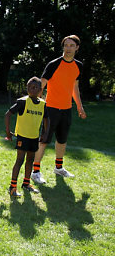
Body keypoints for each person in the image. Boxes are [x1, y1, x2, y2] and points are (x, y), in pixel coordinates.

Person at [31, 35, 87, 184]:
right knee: (44, 140)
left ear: (77, 48)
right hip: (51, 108)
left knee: (62, 140)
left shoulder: (78, 66)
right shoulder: (53, 64)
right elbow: (41, 85)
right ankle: (35, 171)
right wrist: (34, 103)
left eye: (71, 45)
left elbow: (75, 87)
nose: (68, 48)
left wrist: (79, 106)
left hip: (67, 109)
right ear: (63, 47)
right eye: (66, 45)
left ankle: (59, 168)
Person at [5, 77, 48, 198]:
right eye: (29, 87)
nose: (31, 90)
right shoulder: (23, 102)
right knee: (20, 160)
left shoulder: (43, 104)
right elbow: (8, 115)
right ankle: (13, 187)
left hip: (34, 137)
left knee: (30, 160)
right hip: (22, 137)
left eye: (34, 88)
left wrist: (45, 133)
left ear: (40, 90)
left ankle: (26, 183)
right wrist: (8, 132)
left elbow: (46, 119)